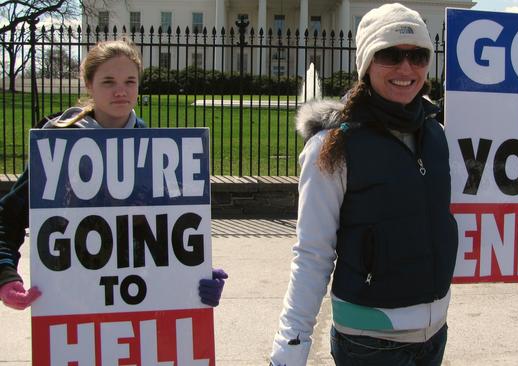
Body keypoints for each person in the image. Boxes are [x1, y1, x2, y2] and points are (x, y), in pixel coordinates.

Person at [270, 3, 457, 365]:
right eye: (390, 54)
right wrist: (290, 347)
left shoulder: (437, 135)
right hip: (369, 343)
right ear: (367, 62)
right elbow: (312, 254)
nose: (406, 68)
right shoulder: (332, 146)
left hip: (435, 335)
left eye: (418, 56)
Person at [0, 39, 227, 310]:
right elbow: (8, 216)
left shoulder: (157, 151)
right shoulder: (57, 142)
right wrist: (5, 274)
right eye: (108, 81)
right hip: (68, 298)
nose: (121, 91)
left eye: (130, 81)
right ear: (89, 84)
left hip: (137, 298)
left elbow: (170, 228)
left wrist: (195, 274)